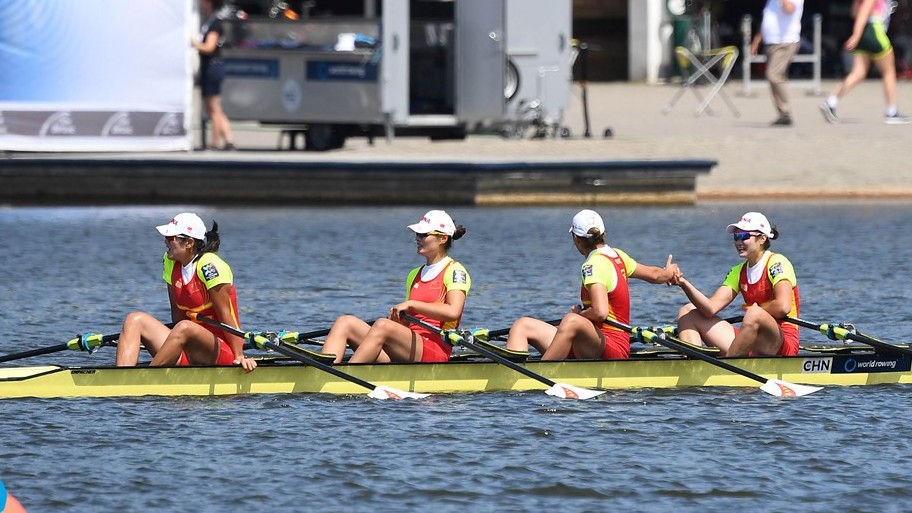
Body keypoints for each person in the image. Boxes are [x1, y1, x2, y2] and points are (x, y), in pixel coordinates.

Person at [504, 209, 680, 361]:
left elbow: (600, 312)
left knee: (571, 320)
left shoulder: (592, 266)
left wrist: (579, 314)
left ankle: (540, 374)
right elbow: (655, 275)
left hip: (612, 347)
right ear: (604, 234)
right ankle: (512, 376)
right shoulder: (617, 256)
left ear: (576, 239)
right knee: (522, 325)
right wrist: (670, 273)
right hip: (590, 342)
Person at [319, 210, 471, 364]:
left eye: (423, 234)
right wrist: (399, 321)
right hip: (408, 347)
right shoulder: (414, 274)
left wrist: (411, 305)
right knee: (345, 322)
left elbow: (453, 311)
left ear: (443, 238)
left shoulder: (455, 271)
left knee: (382, 325)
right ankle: (322, 371)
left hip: (435, 348)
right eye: (417, 234)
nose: (417, 238)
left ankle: (343, 374)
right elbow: (410, 322)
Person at [115, 213, 256, 372]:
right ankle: (121, 376)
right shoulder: (170, 261)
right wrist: (173, 345)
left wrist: (239, 355)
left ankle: (145, 378)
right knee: (134, 319)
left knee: (185, 327)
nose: (165, 241)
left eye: (170, 238)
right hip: (186, 343)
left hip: (221, 350)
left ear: (189, 242)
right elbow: (176, 312)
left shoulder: (210, 266)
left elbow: (225, 314)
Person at [673, 212, 800, 357]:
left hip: (782, 342)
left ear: (762, 238)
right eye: (736, 237)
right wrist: (683, 283)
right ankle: (693, 363)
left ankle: (729, 363)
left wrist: (754, 310)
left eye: (744, 236)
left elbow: (783, 307)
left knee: (754, 313)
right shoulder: (738, 272)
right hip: (751, 337)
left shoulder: (777, 263)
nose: (739, 242)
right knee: (687, 311)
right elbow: (710, 308)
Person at [820, 0, 910, 124]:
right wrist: (856, 36)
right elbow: (863, 12)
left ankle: (831, 102)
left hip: (865, 31)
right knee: (889, 71)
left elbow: (854, 12)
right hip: (874, 30)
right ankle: (891, 111)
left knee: (859, 73)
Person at [750, 0, 805, 126]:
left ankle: (786, 112)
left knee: (773, 74)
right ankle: (782, 114)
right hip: (771, 42)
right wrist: (757, 40)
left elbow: (789, 9)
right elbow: (767, 18)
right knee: (777, 77)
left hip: (786, 42)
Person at [192, 0, 236, 149]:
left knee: (213, 107)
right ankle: (229, 139)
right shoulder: (210, 22)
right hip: (211, 67)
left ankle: (214, 141)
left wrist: (194, 43)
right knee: (215, 107)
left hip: (212, 67)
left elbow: (209, 47)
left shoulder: (215, 24)